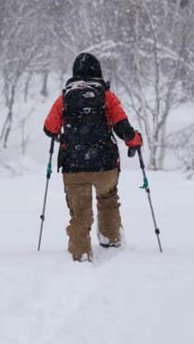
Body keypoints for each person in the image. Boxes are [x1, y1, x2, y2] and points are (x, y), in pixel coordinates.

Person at [43, 52, 144, 262]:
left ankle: (79, 254)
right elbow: (122, 127)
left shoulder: (64, 98)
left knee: (80, 213)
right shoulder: (107, 97)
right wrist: (134, 140)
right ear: (98, 71)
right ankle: (111, 239)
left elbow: (49, 128)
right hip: (105, 166)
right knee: (107, 200)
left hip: (74, 167)